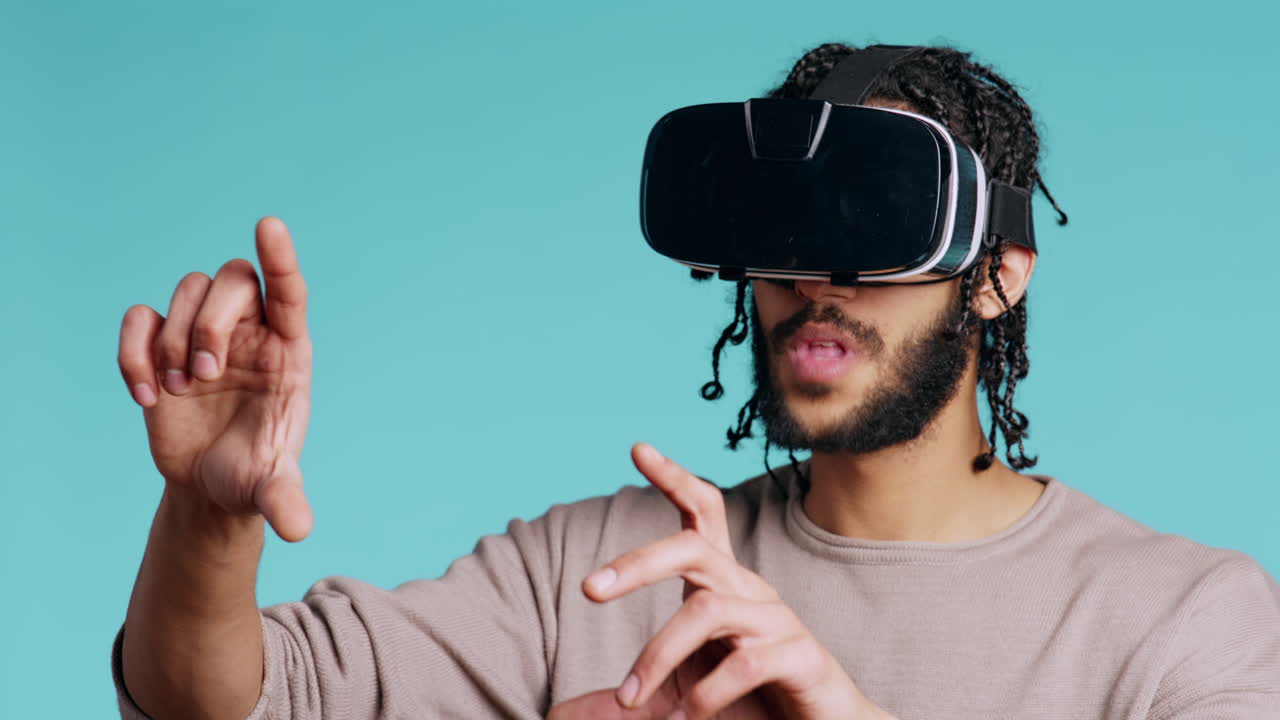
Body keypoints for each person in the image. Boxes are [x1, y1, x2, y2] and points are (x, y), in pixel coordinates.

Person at [111, 43, 1280, 720]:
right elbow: (241, 704)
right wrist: (210, 519)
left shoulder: (1184, 622)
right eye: (780, 228)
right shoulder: (605, 570)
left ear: (996, 278)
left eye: (871, 225)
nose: (813, 284)